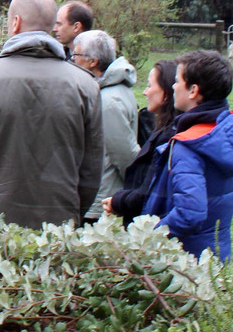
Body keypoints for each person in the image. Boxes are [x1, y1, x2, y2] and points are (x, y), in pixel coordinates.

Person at [0, 0, 103, 229]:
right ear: (51, 26)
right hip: (58, 228)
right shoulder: (86, 85)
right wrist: (72, 212)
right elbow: (91, 171)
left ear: (15, 23)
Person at [143, 50, 233, 259]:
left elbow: (190, 212)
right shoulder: (223, 130)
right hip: (215, 255)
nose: (173, 87)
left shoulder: (190, 145)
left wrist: (149, 236)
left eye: (177, 81)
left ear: (193, 90)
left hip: (187, 261)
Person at [71, 30, 139, 221]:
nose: (72, 60)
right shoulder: (108, 91)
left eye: (76, 55)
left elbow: (125, 155)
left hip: (103, 200)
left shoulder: (108, 101)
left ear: (93, 62)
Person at [104, 59, 181, 224]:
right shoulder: (164, 128)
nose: (145, 92)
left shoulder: (168, 137)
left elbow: (149, 187)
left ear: (166, 92)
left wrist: (118, 201)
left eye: (150, 86)